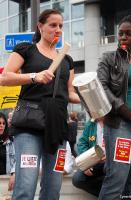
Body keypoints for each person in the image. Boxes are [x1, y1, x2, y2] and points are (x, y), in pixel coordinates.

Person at [0, 9, 80, 200]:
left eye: (61, 26)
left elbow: (70, 93)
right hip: (29, 125)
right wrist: (34, 77)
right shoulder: (26, 49)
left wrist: (92, 95)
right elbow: (5, 77)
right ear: (40, 26)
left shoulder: (67, 60)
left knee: (53, 189)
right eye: (53, 25)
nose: (58, 29)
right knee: (26, 187)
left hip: (58, 126)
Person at [97, 15, 131, 200]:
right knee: (117, 177)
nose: (123, 37)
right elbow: (101, 87)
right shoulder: (109, 58)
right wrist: (128, 112)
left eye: (129, 33)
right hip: (120, 123)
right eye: (120, 33)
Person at [72, 119, 105, 197]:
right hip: (94, 162)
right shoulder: (90, 124)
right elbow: (82, 143)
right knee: (77, 179)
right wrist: (86, 162)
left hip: (111, 163)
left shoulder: (116, 121)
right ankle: (105, 195)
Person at [0, 112, 15, 191]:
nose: (1, 125)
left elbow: (16, 160)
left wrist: (13, 174)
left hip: (7, 180)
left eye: (3, 123)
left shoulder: (11, 141)